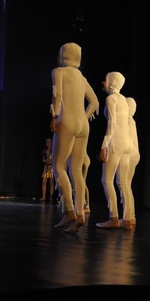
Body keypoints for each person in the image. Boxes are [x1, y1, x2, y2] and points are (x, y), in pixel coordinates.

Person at [49, 42, 99, 233]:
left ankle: (69, 210)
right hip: (83, 124)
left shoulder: (58, 72)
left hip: (67, 121)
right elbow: (94, 102)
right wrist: (83, 117)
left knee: (58, 166)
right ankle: (80, 214)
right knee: (76, 170)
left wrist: (55, 116)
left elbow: (57, 94)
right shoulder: (81, 76)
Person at [96, 72, 134, 229]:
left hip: (116, 142)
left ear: (112, 82)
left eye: (106, 80)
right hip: (127, 143)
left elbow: (112, 123)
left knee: (107, 179)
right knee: (124, 182)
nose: (103, 82)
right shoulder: (124, 100)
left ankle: (113, 217)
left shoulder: (111, 99)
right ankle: (128, 219)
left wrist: (104, 145)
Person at [115, 97, 139, 229]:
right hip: (135, 154)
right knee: (127, 185)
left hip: (128, 155)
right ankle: (131, 216)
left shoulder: (126, 121)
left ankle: (127, 218)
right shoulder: (132, 120)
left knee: (122, 183)